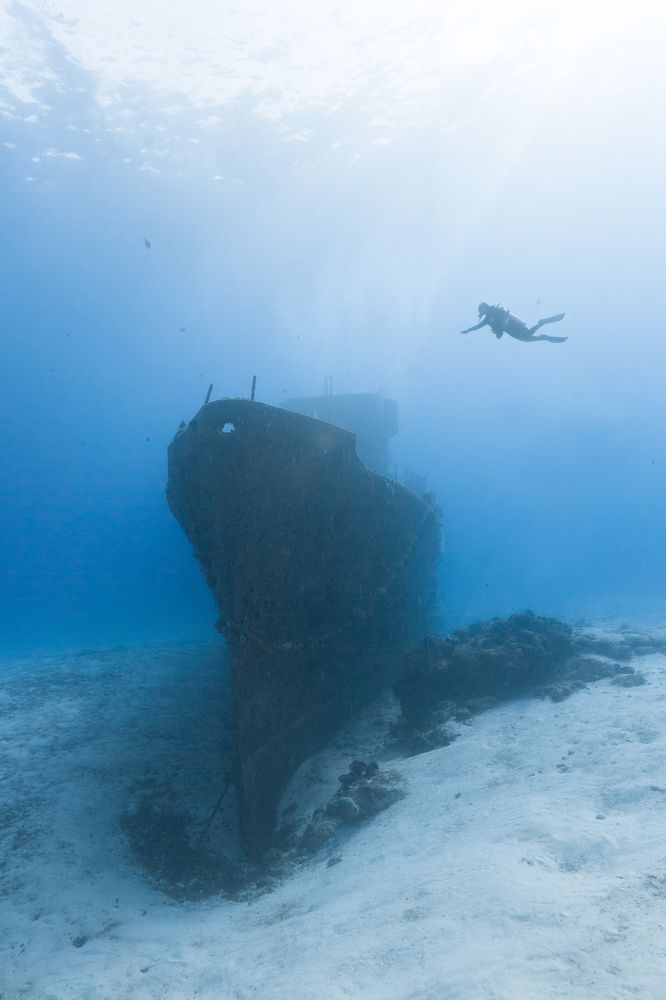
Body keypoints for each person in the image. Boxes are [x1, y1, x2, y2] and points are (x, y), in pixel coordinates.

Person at [461, 302, 567, 343]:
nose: (483, 311)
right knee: (528, 335)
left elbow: (478, 326)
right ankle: (542, 325)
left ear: (485, 307)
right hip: (511, 327)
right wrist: (469, 330)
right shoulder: (487, 318)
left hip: (510, 327)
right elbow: (478, 326)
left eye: (482, 309)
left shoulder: (488, 318)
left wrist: (468, 330)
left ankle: (544, 334)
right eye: (481, 310)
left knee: (526, 338)